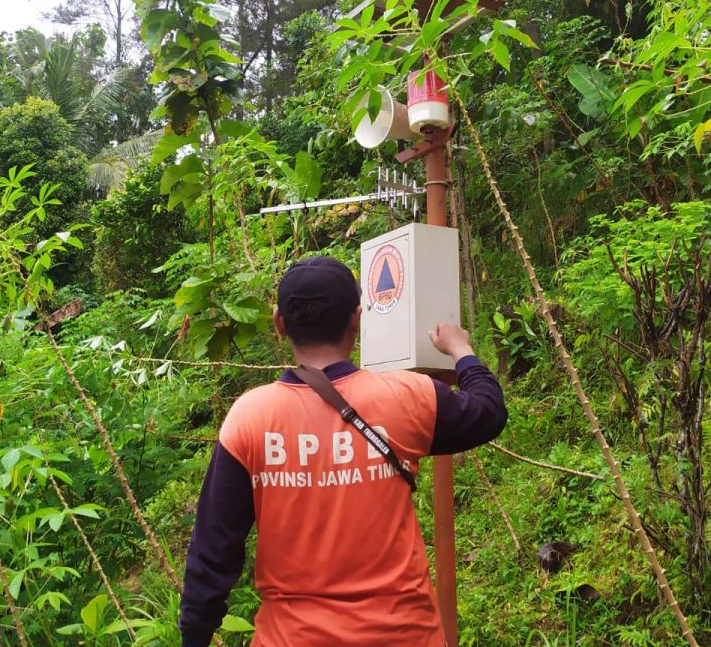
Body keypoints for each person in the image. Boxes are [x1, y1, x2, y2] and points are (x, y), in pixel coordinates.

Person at [179, 255, 507, 647]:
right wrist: (461, 349)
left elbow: (213, 553)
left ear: (279, 322)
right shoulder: (406, 398)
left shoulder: (249, 418)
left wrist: (194, 636)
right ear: (356, 318)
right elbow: (488, 412)